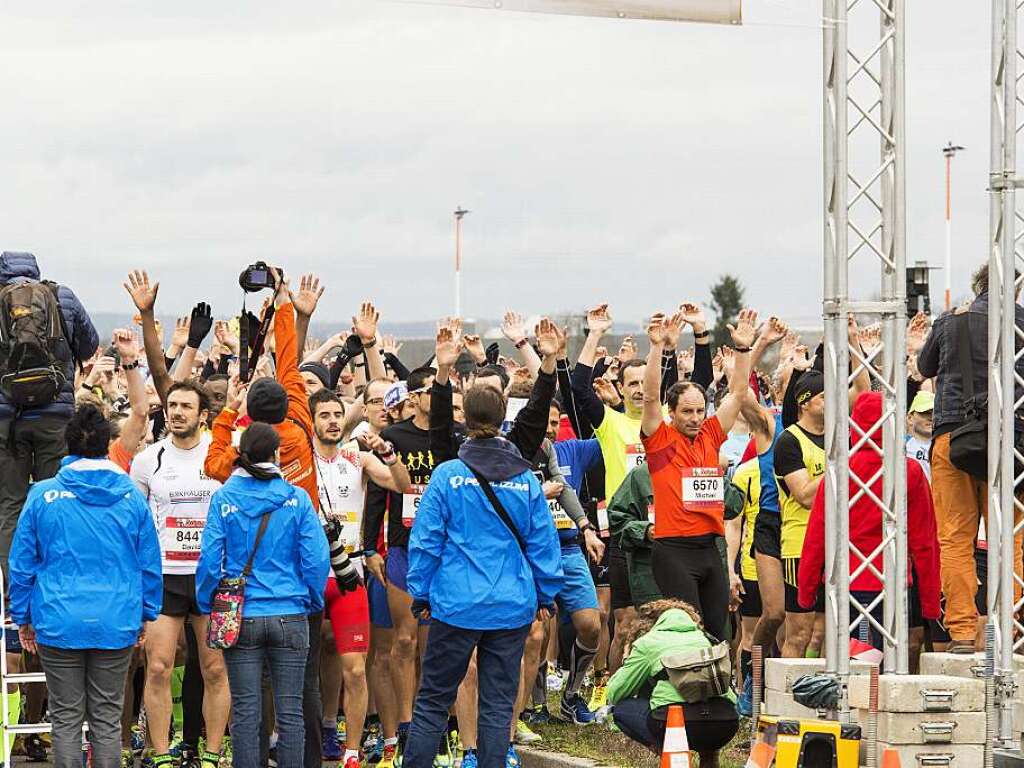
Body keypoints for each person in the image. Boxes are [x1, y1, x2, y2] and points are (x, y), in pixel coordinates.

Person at [402, 385, 563, 768]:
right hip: (511, 604)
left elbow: (425, 540)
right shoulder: (525, 480)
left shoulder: (447, 475)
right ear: (503, 415)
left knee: (433, 702)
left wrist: (420, 592)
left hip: (456, 604)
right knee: (497, 703)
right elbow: (543, 540)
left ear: (466, 420)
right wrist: (545, 594)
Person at [9, 406, 162, 768]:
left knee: (65, 718)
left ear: (67, 444)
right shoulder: (130, 496)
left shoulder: (43, 495)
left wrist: (23, 616)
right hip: (116, 618)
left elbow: (21, 563)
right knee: (108, 719)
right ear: (107, 443)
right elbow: (149, 565)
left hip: (58, 618)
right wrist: (145, 613)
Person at [195, 423, 331, 768]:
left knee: (246, 711)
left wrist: (207, 600)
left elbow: (210, 560)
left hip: (240, 615)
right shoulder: (296, 497)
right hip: (291, 610)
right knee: (290, 711)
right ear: (277, 454)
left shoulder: (224, 497)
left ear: (240, 455)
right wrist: (311, 598)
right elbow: (316, 559)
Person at [916, 262, 1024, 653]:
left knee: (956, 539)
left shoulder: (951, 321)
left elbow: (924, 367)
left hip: (952, 438)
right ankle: (1011, 626)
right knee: (1010, 538)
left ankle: (961, 631)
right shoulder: (1022, 323)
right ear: (1016, 288)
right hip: (1008, 441)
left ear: (975, 287)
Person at [798, 391, 942, 665]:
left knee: (853, 669)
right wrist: (930, 601)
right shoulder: (908, 471)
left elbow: (817, 536)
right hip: (892, 583)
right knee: (885, 673)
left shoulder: (840, 471)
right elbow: (924, 542)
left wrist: (806, 593)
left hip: (846, 582)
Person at [641, 309, 757, 642]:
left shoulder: (710, 434)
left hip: (710, 548)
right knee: (689, 635)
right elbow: (650, 397)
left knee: (718, 633)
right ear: (672, 412)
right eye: (686, 412)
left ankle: (714, 693)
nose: (694, 418)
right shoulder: (660, 440)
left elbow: (736, 394)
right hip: (673, 550)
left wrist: (744, 350)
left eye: (699, 411)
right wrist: (656, 347)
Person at [309, 388, 411, 767]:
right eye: (325, 415)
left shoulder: (358, 458)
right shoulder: (300, 460)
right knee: (303, 665)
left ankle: (350, 753)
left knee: (355, 668)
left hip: (349, 573)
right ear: (313, 421)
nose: (333, 421)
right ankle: (298, 737)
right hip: (309, 573)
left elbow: (400, 484)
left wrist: (388, 454)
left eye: (338, 414)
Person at [130, 381, 228, 768]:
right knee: (157, 666)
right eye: (172, 405)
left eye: (186, 406)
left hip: (209, 576)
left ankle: (213, 752)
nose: (177, 412)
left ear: (203, 414)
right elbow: (135, 523)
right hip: (165, 576)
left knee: (215, 668)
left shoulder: (220, 457)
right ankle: (161, 754)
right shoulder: (147, 460)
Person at [0, 251, 99, 575]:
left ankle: (13, 590)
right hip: (54, 415)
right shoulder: (61, 296)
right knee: (55, 499)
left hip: (6, 419)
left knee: (10, 503)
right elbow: (89, 345)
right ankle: (55, 574)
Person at [607, 600, 738, 768]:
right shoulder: (706, 639)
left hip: (677, 725)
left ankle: (670, 754)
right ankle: (709, 757)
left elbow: (615, 692)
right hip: (724, 723)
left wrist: (628, 661)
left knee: (622, 709)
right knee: (706, 711)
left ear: (650, 623)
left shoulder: (648, 643)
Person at [906, 390, 934, 480]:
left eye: (935, 413)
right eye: (925, 413)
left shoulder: (945, 445)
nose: (931, 418)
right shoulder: (901, 445)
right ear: (910, 418)